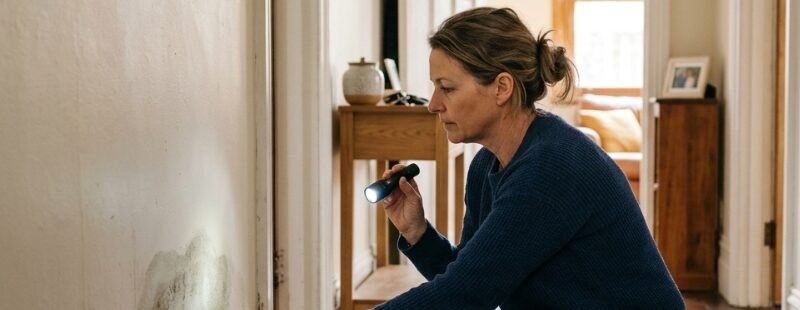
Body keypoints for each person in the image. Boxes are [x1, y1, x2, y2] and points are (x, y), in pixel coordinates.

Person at [373, 7, 684, 309]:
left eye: (447, 88)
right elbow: (475, 278)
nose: (433, 104)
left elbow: (464, 295)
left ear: (502, 88)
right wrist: (417, 232)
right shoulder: (487, 165)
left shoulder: (551, 167)